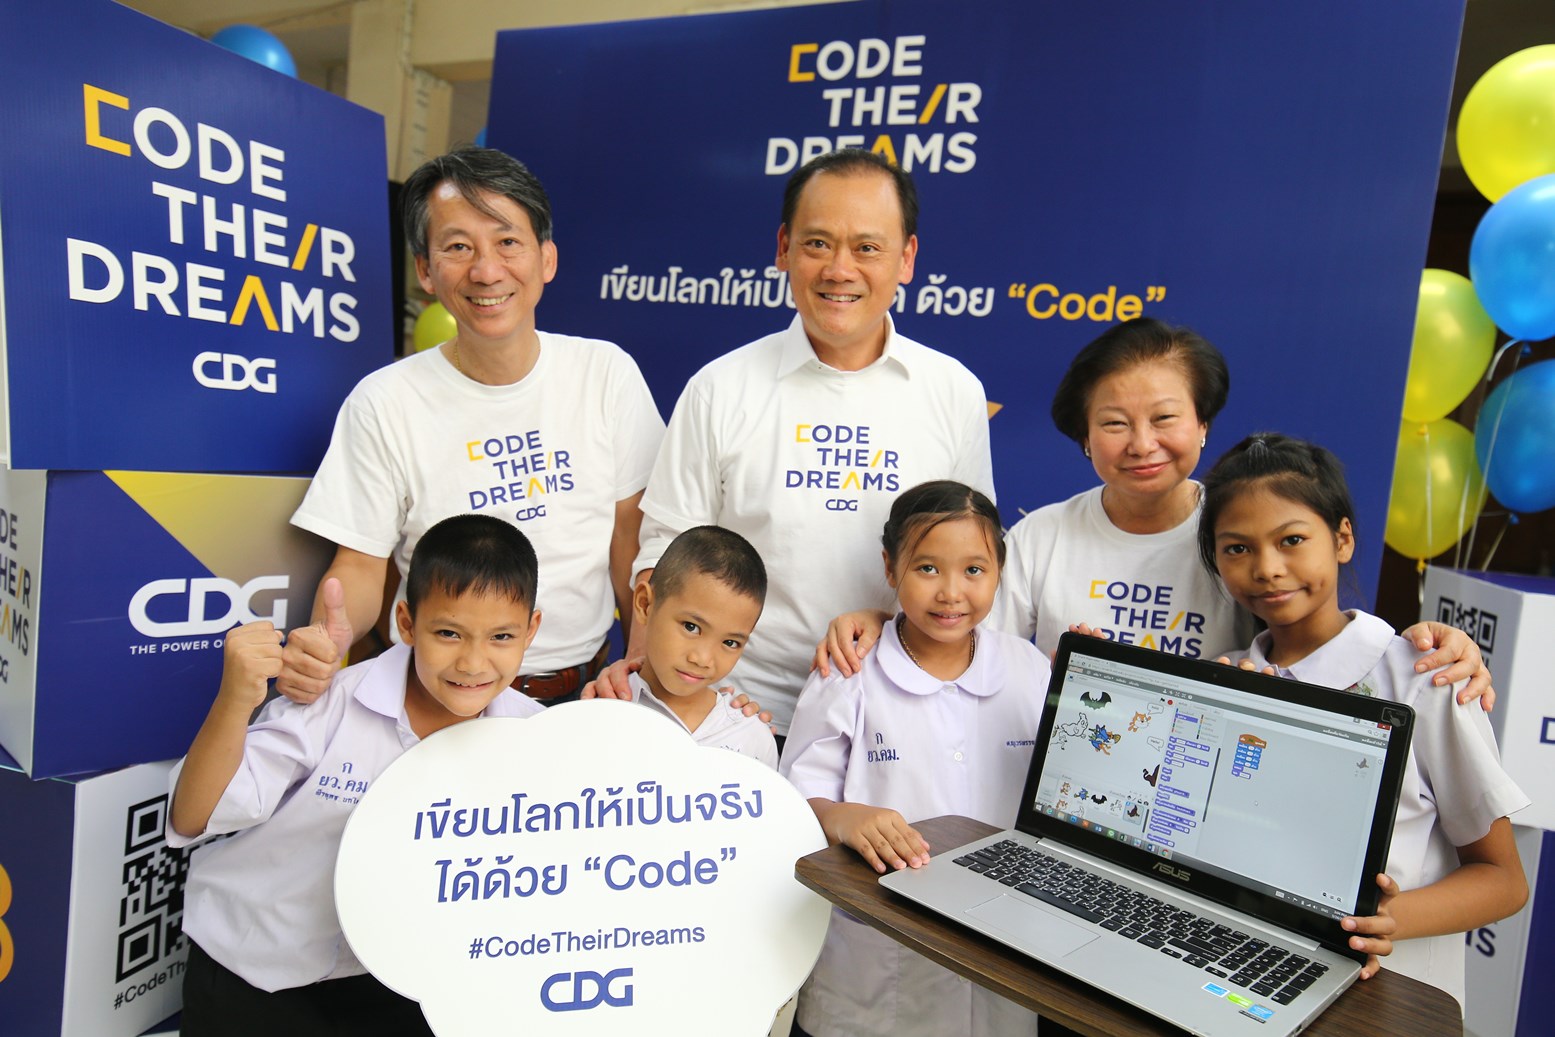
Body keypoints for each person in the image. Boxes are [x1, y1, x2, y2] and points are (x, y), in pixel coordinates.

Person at [815, 317, 1494, 703]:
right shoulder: (1041, 535)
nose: (1141, 444)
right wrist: (884, 619)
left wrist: (1424, 644)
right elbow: (958, 641)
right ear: (1085, 439)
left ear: (1202, 426)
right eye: (1114, 423)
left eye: (1165, 418)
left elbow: (1318, 634)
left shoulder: (1238, 533)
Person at [594, 148, 994, 737]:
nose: (839, 269)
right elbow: (666, 549)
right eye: (817, 244)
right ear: (783, 248)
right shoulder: (718, 388)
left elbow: (971, 558)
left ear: (907, 258)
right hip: (733, 713)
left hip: (892, 710)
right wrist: (649, 684)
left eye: (867, 247)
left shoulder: (954, 391)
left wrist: (888, 620)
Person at [282, 146, 664, 706]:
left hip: (578, 695)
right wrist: (328, 638)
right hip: (438, 697)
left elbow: (632, 539)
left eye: (508, 242)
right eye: (458, 247)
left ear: (547, 259)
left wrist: (643, 674)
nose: (486, 271)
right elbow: (360, 563)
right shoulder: (384, 401)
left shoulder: (605, 373)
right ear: (425, 270)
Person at [167, 515, 546, 1036]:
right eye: (448, 633)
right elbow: (193, 816)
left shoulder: (537, 738)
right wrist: (235, 698)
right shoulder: (330, 703)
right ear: (406, 622)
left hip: (399, 986)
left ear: (532, 629)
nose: (473, 662)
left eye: (501, 636)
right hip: (255, 975)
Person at [1198, 433, 1528, 1005]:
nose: (1267, 568)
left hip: (1389, 999)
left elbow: (1503, 880)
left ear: (1343, 538)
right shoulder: (1225, 677)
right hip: (1242, 978)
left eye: (1292, 540)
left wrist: (1390, 918)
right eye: (1237, 548)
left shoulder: (1426, 679)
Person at [781, 481, 1046, 1037]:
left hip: (1002, 951)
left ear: (999, 570)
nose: (951, 592)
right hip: (877, 970)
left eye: (974, 570)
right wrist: (841, 816)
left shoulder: (1029, 670)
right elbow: (790, 804)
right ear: (890, 566)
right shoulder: (849, 671)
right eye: (927, 568)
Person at [623, 525, 778, 767]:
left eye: (730, 642)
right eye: (691, 627)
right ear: (645, 605)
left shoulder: (752, 739)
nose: (703, 659)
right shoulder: (597, 715)